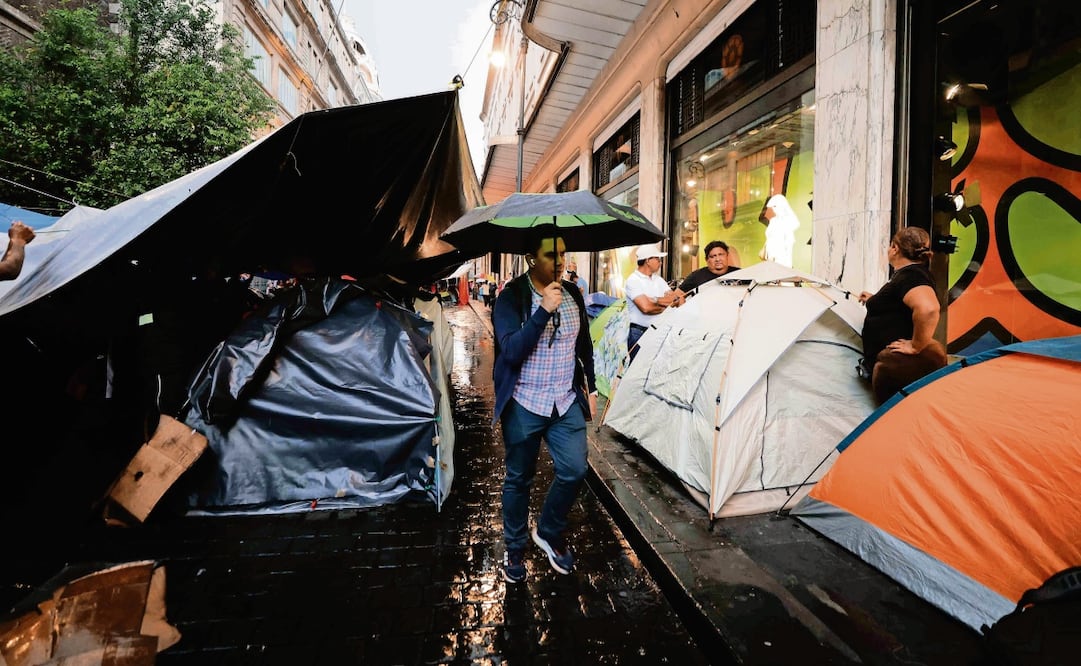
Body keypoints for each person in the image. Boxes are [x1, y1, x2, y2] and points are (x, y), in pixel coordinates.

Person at [491, 230, 597, 583]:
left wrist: (592, 387)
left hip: (564, 400)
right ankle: (515, 546)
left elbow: (584, 344)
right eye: (552, 254)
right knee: (519, 479)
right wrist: (542, 312)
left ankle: (548, 531)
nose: (560, 261)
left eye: (564, 254)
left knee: (574, 470)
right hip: (525, 401)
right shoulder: (511, 298)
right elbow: (511, 350)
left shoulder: (572, 295)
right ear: (532, 259)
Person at [858, 227, 948, 404]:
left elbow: (928, 309)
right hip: (896, 370)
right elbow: (901, 301)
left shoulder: (911, 276)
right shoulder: (910, 274)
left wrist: (916, 345)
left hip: (899, 371)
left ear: (895, 248)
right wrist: (874, 299)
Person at [624, 243, 682, 362]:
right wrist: (667, 305)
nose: (660, 262)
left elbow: (677, 300)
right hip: (639, 333)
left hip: (658, 331)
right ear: (648, 261)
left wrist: (655, 300)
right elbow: (646, 308)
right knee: (638, 371)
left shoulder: (658, 280)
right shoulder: (633, 280)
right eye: (657, 259)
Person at [675, 240, 741, 295]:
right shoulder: (697, 276)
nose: (717, 259)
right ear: (707, 260)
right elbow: (676, 295)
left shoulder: (740, 274)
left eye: (721, 255)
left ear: (727, 256)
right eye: (713, 256)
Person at [759, 194, 800, 267]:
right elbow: (769, 237)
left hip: (781, 258)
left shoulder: (789, 220)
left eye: (775, 206)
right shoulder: (773, 221)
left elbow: (788, 241)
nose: (774, 209)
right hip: (770, 255)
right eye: (773, 207)